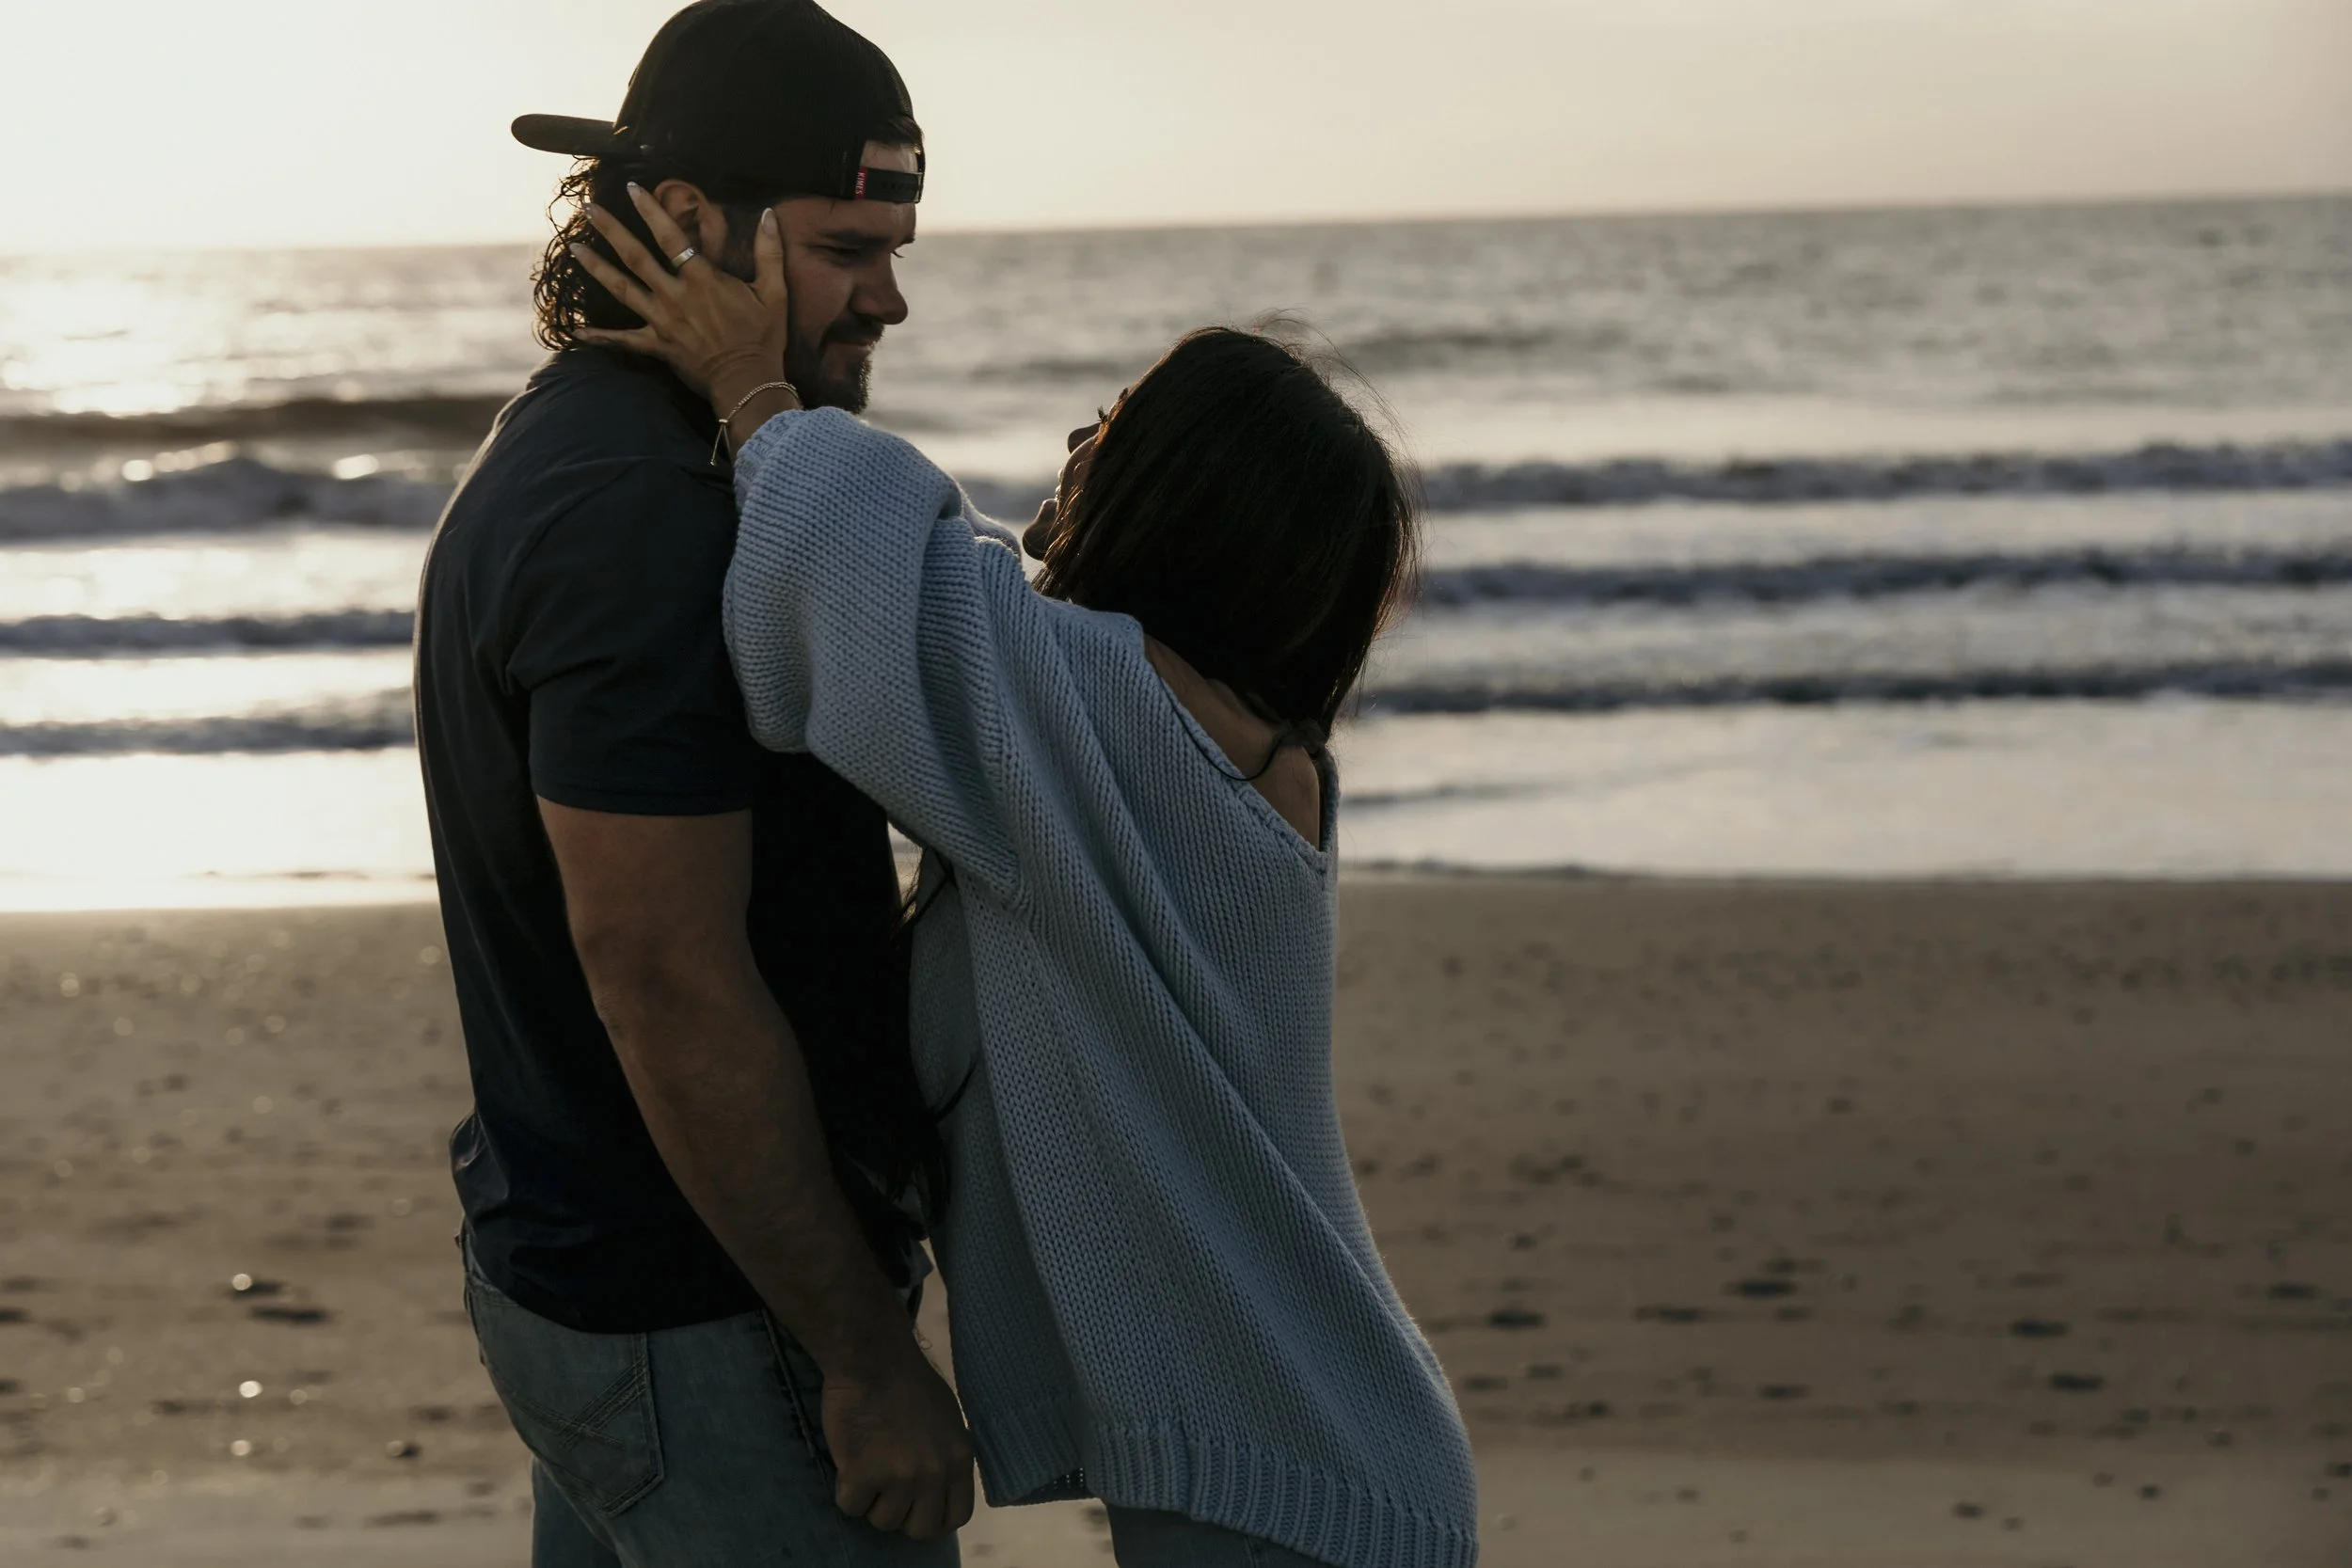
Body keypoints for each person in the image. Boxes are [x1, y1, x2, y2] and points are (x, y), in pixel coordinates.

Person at [560, 183, 1482, 1568]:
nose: (1072, 441)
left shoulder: (1123, 732)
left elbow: (876, 583)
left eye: (1111, 425)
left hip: (1308, 1494)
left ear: (1187, 499)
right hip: (1331, 1467)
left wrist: (746, 382)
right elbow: (946, 595)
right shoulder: (1183, 743)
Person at [412, 3, 973, 1562]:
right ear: (684, 221)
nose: (893, 296)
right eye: (849, 247)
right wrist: (863, 1358)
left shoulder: (605, 449)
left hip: (614, 1282)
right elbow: (662, 974)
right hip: (710, 1327)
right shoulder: (633, 512)